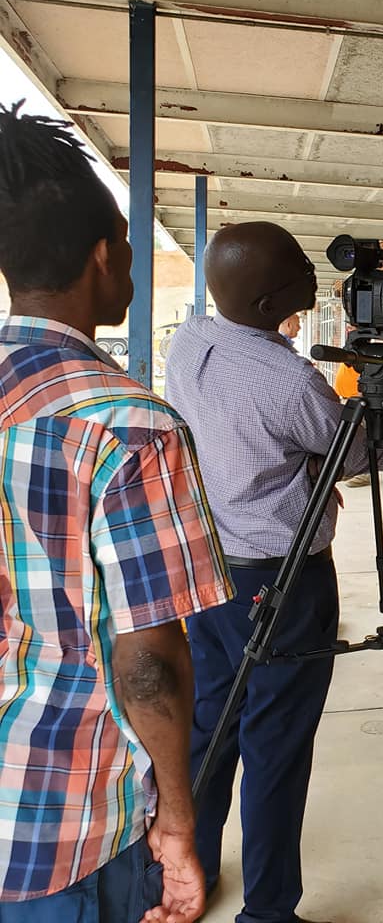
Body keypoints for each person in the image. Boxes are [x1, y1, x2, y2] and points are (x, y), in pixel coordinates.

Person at [163, 221, 383, 923]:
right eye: (297, 271)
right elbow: (354, 452)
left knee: (214, 720)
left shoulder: (191, 339)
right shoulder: (289, 380)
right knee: (276, 742)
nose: (315, 277)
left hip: (209, 568)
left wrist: (309, 453)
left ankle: (186, 865)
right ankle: (266, 911)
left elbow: (299, 445)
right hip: (283, 581)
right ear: (269, 306)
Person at [0, 102, 232, 921]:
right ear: (104, 258)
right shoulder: (128, 425)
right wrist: (177, 815)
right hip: (66, 825)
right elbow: (149, 662)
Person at [332, 328, 370, 487]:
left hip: (358, 401)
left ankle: (364, 475)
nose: (349, 331)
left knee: (359, 439)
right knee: (350, 439)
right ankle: (354, 471)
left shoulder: (361, 354)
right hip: (349, 400)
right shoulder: (352, 352)